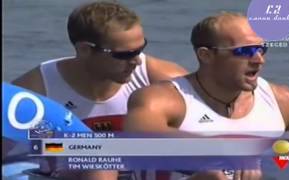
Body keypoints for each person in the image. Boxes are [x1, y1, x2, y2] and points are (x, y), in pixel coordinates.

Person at [124, 12, 289, 180]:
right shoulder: (161, 100)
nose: (259, 60)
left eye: (261, 49)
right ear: (205, 55)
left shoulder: (285, 102)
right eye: (245, 51)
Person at [10, 1, 187, 179]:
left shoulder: (162, 79)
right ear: (84, 49)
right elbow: (36, 148)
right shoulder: (34, 91)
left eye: (139, 50)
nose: (137, 61)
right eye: (123, 55)